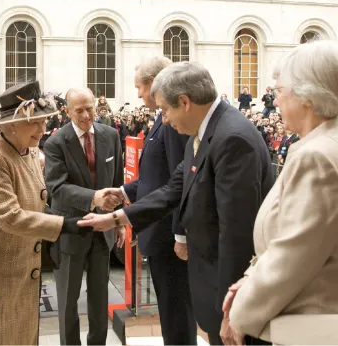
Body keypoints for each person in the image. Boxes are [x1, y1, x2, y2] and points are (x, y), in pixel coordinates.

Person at [79, 62, 274, 345]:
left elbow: (236, 236)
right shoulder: (206, 132)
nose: (165, 120)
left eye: (166, 110)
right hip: (214, 286)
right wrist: (117, 218)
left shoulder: (231, 138)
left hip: (232, 297)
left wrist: (234, 311)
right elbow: (172, 189)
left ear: (184, 102)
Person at [220, 41, 338, 345]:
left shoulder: (318, 156)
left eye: (280, 91)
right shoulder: (333, 143)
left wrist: (241, 313)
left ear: (307, 97)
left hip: (312, 327)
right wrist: (251, 280)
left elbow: (293, 255)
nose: (275, 101)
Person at [0, 81, 90, 345]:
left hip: (15, 260)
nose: (43, 129)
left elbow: (36, 200)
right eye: (35, 122)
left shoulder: (28, 149)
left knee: (19, 334)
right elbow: (10, 216)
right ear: (13, 123)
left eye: (44, 121)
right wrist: (66, 225)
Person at [120, 56, 195, 345]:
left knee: (177, 317)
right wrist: (125, 192)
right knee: (170, 315)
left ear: (154, 83)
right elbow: (155, 174)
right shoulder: (160, 120)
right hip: (161, 234)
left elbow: (181, 182)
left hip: (170, 240)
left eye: (140, 87)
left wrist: (181, 235)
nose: (138, 94)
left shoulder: (172, 122)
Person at [44, 87, 125, 346]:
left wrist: (119, 220)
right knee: (68, 302)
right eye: (79, 110)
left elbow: (117, 181)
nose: (86, 115)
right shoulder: (56, 142)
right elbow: (57, 188)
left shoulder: (111, 136)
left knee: (100, 299)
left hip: (103, 233)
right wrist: (94, 198)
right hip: (71, 231)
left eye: (89, 108)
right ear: (66, 111)